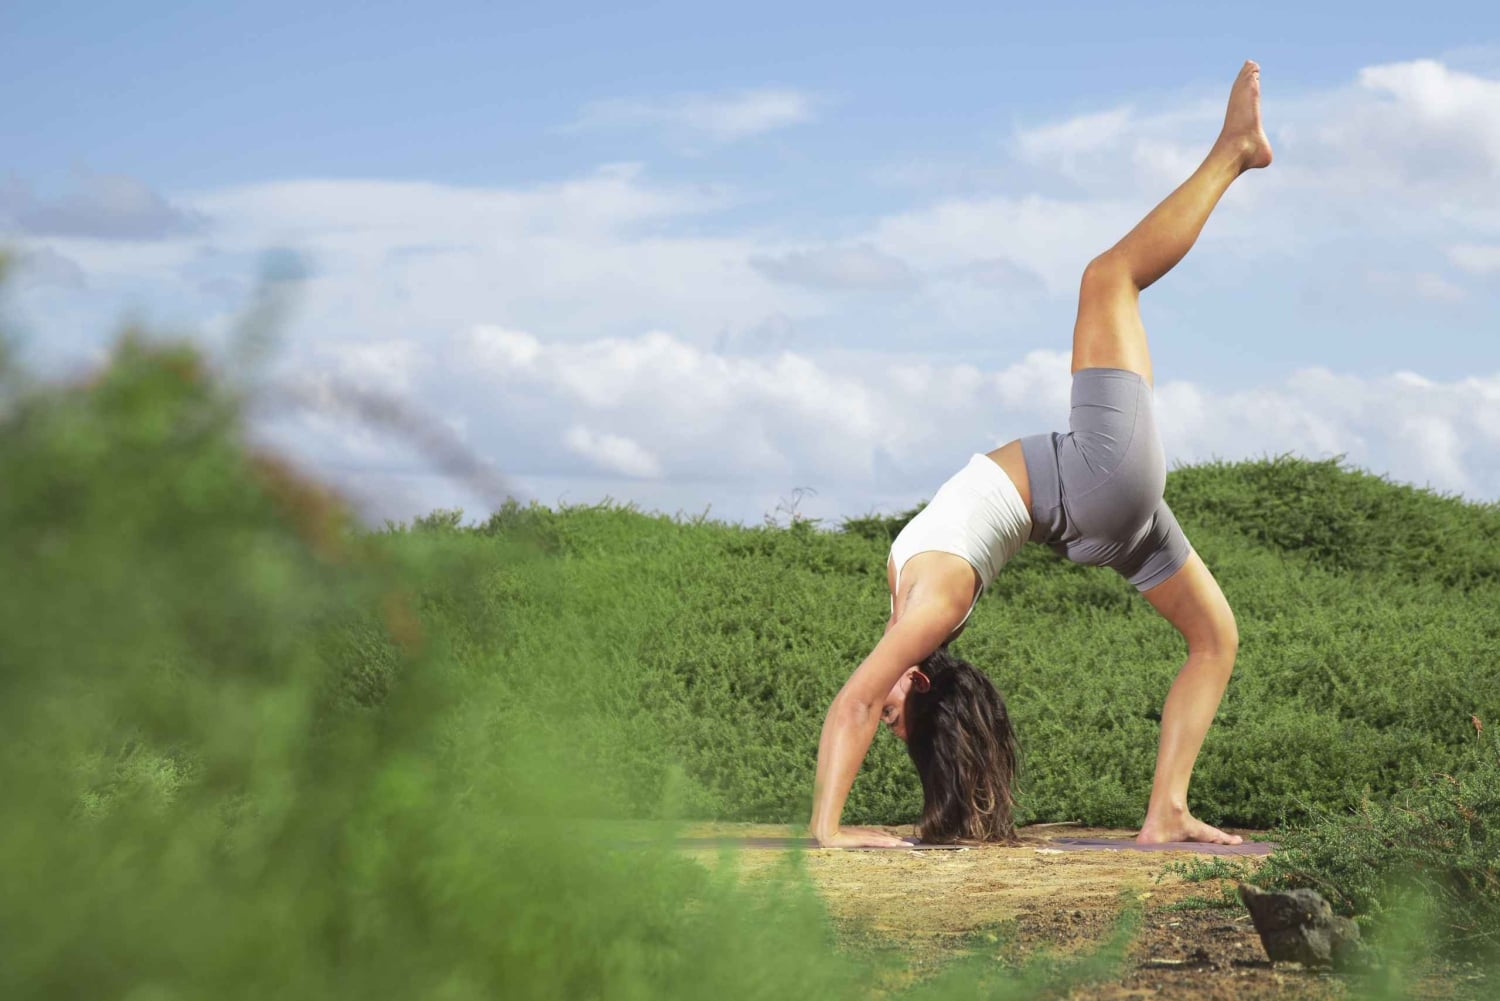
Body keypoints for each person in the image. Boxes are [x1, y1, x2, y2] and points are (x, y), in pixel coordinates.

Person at [810, 61, 1273, 849]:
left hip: (1096, 514)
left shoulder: (916, 593)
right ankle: (1234, 151)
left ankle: (1166, 808)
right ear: (915, 678)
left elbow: (867, 698)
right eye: (898, 709)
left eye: (890, 717)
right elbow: (851, 703)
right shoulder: (935, 605)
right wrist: (827, 832)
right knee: (1108, 278)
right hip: (1093, 475)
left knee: (1215, 638)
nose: (879, 702)